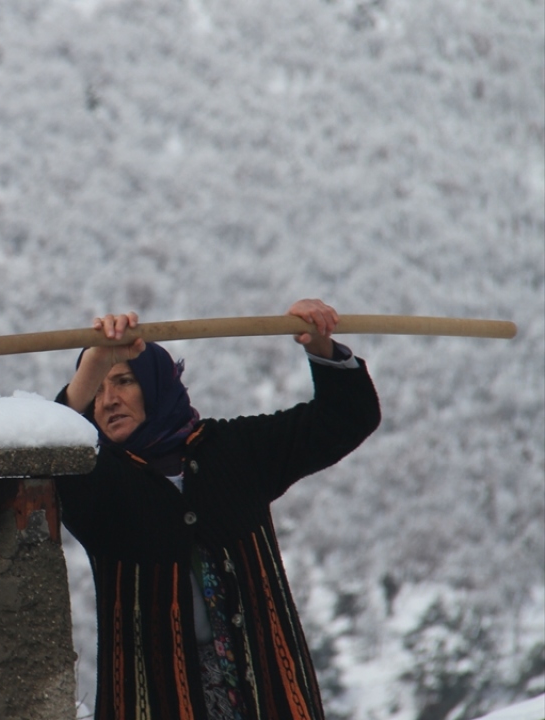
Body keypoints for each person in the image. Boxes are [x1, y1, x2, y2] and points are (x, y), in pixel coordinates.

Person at [55, 299, 381, 720]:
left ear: (157, 384)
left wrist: (320, 345)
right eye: (96, 391)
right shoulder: (99, 485)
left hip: (270, 696)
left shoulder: (232, 451)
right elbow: (53, 457)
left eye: (123, 381)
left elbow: (347, 418)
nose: (108, 401)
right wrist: (93, 364)